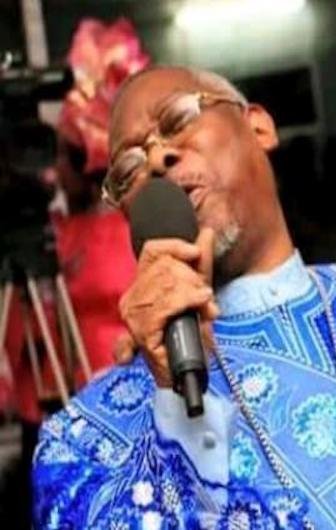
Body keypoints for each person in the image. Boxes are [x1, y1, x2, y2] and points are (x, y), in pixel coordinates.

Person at [32, 66, 336, 529]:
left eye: (177, 120)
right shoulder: (85, 437)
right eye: (128, 170)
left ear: (258, 126)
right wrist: (174, 404)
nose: (157, 160)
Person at [1, 18, 143, 529]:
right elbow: (20, 329)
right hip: (50, 407)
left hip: (117, 405)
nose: (51, 169)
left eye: (60, 154)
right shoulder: (54, 232)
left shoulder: (131, 228)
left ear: (88, 160)